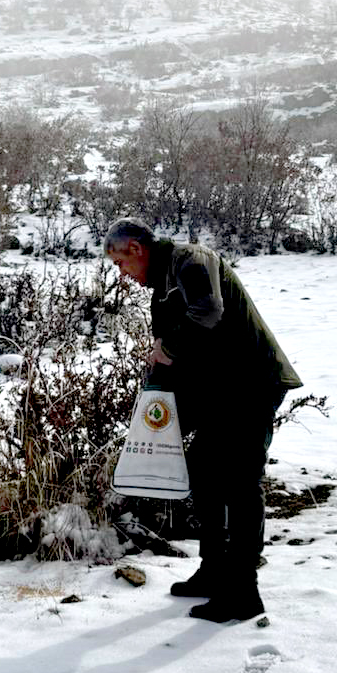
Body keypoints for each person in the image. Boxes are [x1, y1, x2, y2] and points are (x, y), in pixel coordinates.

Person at [104, 219, 302, 623]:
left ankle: (244, 592)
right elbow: (169, 355)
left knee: (241, 482)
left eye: (120, 263)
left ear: (137, 250)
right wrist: (152, 408)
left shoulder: (190, 261)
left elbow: (208, 312)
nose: (121, 274)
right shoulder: (162, 287)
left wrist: (171, 348)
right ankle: (213, 572)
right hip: (223, 390)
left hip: (252, 383)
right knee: (203, 472)